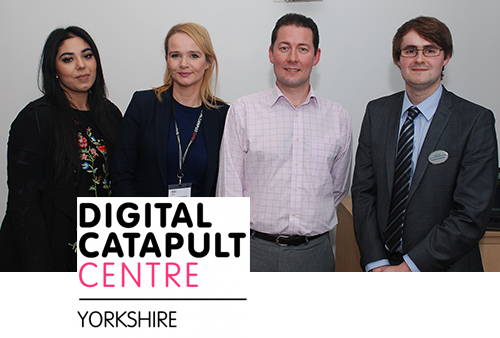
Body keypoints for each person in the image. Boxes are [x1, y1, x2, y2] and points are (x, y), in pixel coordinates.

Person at [352, 16, 498, 272]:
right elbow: (364, 193)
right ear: (398, 59)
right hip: (383, 269)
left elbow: (471, 214)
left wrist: (407, 268)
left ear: (446, 57)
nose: (419, 59)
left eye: (430, 50)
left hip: (446, 270)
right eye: (410, 51)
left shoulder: (475, 121)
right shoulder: (377, 112)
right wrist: (377, 263)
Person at [217, 13, 353, 272]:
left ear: (316, 56)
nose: (293, 58)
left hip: (315, 254)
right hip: (253, 252)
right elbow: (229, 193)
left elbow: (337, 189)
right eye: (284, 48)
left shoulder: (338, 117)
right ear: (271, 54)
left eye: (303, 49)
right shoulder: (243, 111)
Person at [0, 26, 122, 272]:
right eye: (68, 59)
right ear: (54, 69)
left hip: (98, 253)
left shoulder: (110, 114)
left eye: (87, 56)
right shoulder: (36, 118)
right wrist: (42, 274)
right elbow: (24, 204)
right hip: (47, 255)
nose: (81, 65)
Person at [112, 23, 228, 197]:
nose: (183, 64)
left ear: (208, 62)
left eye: (194, 56)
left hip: (202, 221)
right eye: (175, 55)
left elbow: (228, 183)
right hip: (145, 219)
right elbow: (121, 173)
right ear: (167, 60)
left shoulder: (223, 115)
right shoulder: (143, 105)